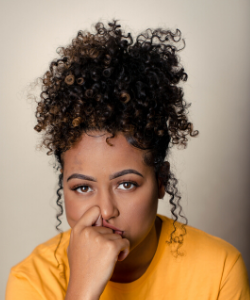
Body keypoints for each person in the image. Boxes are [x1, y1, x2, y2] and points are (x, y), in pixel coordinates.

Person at [5, 20, 250, 300]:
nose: (106, 211)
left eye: (126, 184)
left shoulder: (219, 269)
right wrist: (82, 289)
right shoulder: (32, 280)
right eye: (83, 188)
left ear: (161, 180)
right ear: (63, 186)